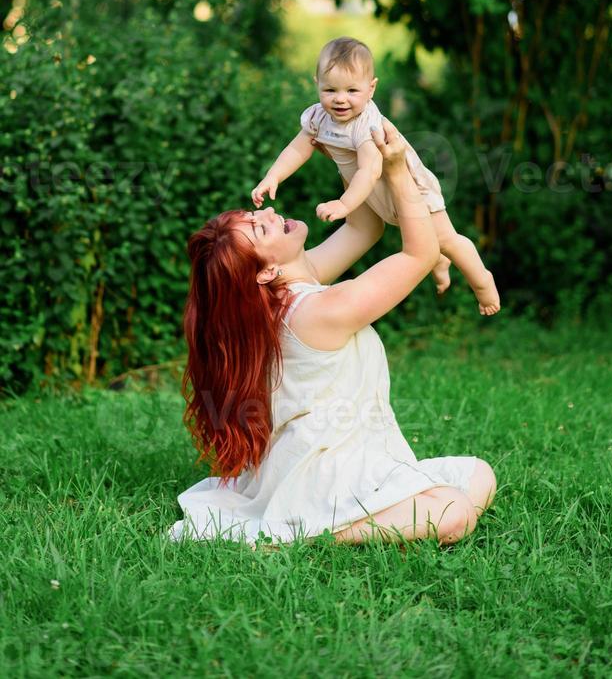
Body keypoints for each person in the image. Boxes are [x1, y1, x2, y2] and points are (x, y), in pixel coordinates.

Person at [169, 119, 496, 547]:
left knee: (477, 474)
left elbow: (365, 228)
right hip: (324, 471)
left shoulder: (289, 290)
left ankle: (393, 510)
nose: (270, 211)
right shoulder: (318, 312)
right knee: (454, 512)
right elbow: (421, 254)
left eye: (257, 215)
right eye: (262, 228)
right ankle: (307, 533)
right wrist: (396, 170)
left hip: (343, 455)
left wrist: (353, 151)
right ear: (267, 271)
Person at [252, 36, 500, 316]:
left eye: (352, 90)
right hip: (371, 193)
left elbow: (370, 170)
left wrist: (344, 205)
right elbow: (298, 149)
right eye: (330, 89)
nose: (340, 98)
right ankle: (439, 264)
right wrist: (273, 176)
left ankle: (482, 283)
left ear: (371, 89)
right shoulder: (317, 117)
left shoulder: (367, 125)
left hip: (406, 189)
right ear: (316, 84)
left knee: (447, 238)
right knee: (419, 241)